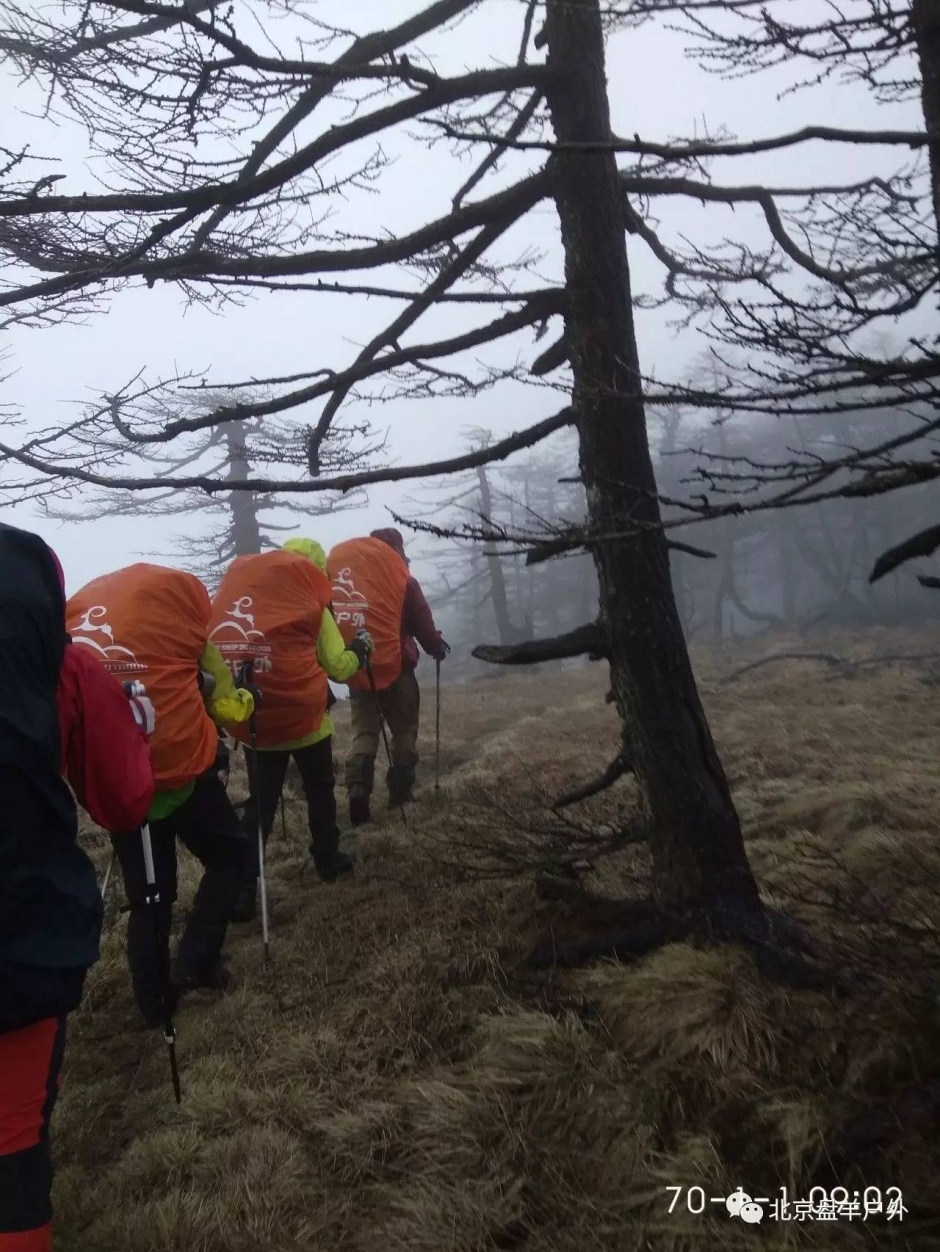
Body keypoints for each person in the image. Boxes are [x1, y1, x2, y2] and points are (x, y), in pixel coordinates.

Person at [1, 524, 154, 1252]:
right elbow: (125, 802)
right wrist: (135, 726)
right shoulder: (63, 670)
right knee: (12, 1146)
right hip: (18, 938)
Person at [65, 563, 254, 1026]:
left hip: (123, 787)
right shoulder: (188, 633)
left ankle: (155, 1005)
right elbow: (225, 707)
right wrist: (249, 700)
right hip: (184, 775)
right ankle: (197, 959)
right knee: (230, 855)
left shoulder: (82, 644)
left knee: (150, 897)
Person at [208, 541, 374, 922]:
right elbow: (338, 666)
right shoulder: (312, 605)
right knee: (320, 790)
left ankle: (243, 889)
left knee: (261, 805)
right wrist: (360, 651)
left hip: (258, 720)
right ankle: (328, 859)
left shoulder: (251, 605)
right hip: (307, 721)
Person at [328, 527, 449, 825]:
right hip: (398, 668)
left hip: (360, 667)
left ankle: (358, 791)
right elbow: (422, 621)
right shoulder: (403, 579)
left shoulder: (347, 581)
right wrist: (435, 646)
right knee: (404, 729)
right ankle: (400, 791)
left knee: (365, 733)